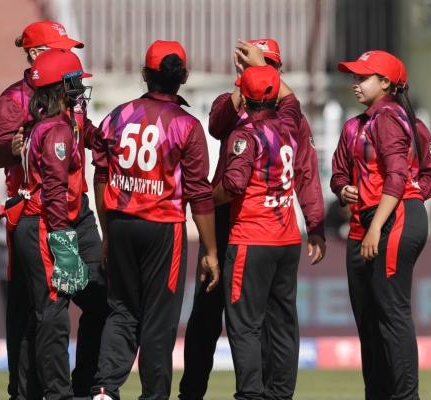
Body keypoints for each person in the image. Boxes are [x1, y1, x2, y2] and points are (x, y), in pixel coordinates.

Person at [179, 38, 326, 400]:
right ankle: (192, 392)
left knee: (257, 321)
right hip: (227, 217)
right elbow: (215, 125)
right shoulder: (236, 107)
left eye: (265, 66)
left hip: (251, 220)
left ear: (276, 73)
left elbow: (307, 173)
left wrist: (316, 222)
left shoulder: (289, 120)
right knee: (207, 315)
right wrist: (246, 82)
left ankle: (260, 392)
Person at [90, 40, 219, 400]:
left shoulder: (116, 116)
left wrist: (106, 233)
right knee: (158, 320)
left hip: (120, 223)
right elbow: (199, 194)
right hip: (163, 227)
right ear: (184, 77)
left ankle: (104, 388)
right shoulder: (187, 126)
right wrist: (210, 250)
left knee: (121, 311)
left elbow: (101, 177)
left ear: (145, 75)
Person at [0, 21, 109, 400]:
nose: (72, 55)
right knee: (34, 313)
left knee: (100, 299)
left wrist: (110, 136)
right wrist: (16, 144)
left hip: (77, 208)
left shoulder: (67, 93)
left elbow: (83, 131)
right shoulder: (14, 100)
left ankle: (83, 384)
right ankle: (27, 391)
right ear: (37, 54)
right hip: (38, 211)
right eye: (63, 47)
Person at [330, 50, 428, 400]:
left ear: (385, 83)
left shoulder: (389, 116)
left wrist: (406, 202)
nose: (355, 83)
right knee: (370, 323)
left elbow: (409, 176)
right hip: (366, 223)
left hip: (392, 221)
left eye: (363, 77)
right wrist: (343, 189)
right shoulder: (356, 125)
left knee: (392, 315)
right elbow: (338, 174)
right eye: (354, 77)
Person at [212, 58, 306, 399]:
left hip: (252, 238)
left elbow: (234, 184)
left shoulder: (244, 134)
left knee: (245, 325)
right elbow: (293, 100)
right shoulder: (292, 126)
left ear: (244, 96)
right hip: (288, 239)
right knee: (282, 325)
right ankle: (280, 394)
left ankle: (250, 395)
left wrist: (207, 197)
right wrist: (268, 72)